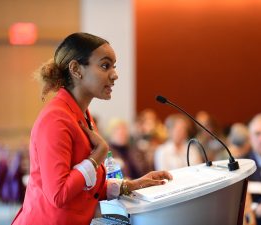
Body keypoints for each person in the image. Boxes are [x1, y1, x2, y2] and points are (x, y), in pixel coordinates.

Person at [11, 33, 172, 225]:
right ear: (76, 69)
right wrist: (97, 157)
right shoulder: (56, 118)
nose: (114, 74)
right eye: (105, 65)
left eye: (114, 66)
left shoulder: (82, 114)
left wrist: (132, 185)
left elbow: (87, 188)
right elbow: (59, 194)